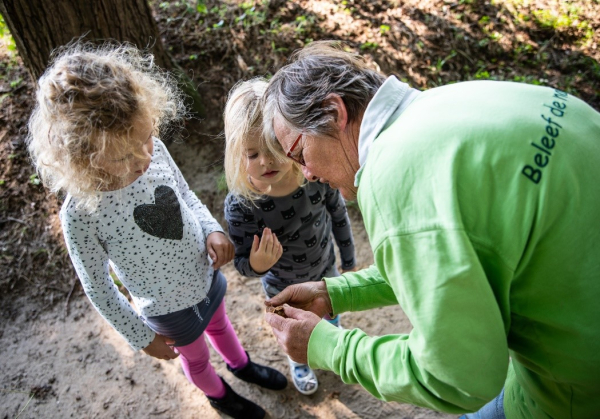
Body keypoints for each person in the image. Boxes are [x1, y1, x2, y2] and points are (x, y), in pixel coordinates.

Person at [262, 41, 600, 418]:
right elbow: (461, 254)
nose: (306, 174)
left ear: (333, 111)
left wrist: (325, 346)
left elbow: (458, 378)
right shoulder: (450, 104)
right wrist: (335, 293)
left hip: (574, 397)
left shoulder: (393, 177)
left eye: (297, 153)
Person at [26, 42, 287, 419]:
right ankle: (219, 395)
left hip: (203, 270)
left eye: (146, 137)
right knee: (195, 358)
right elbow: (98, 286)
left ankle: (241, 365)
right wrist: (141, 336)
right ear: (83, 155)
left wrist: (212, 229)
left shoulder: (154, 150)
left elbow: (184, 195)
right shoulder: (82, 212)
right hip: (165, 309)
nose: (144, 157)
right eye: (124, 156)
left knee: (220, 323)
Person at [222, 79, 357, 395]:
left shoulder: (314, 174)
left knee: (329, 316)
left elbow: (338, 215)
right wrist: (256, 264)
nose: (266, 162)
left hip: (326, 270)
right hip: (282, 287)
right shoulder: (242, 203)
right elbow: (241, 262)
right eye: (253, 154)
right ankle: (300, 362)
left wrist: (348, 258)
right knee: (294, 330)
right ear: (237, 153)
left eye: (272, 149)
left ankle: (333, 349)